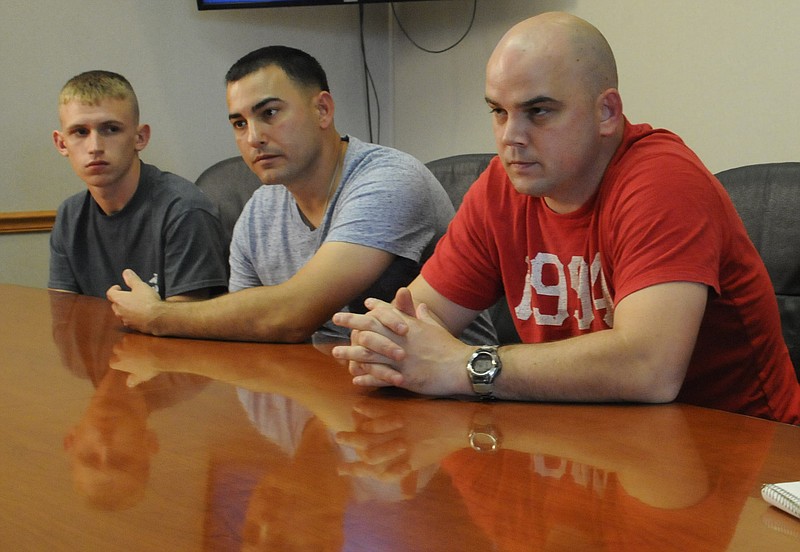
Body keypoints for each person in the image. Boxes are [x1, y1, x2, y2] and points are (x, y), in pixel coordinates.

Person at [332, 12, 800, 424]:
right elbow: (409, 325)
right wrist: (388, 350)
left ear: (607, 113)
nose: (510, 137)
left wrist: (463, 365)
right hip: (593, 442)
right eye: (498, 111)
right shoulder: (501, 187)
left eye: (538, 112)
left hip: (743, 463)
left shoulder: (663, 180)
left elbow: (649, 369)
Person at [107, 46, 495, 344]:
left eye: (270, 113)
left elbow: (291, 315)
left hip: (449, 403)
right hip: (327, 393)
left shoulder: (389, 180)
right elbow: (247, 329)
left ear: (322, 110)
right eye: (239, 123)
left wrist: (157, 316)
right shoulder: (258, 210)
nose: (253, 137)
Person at [49, 70, 228, 300]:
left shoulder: (184, 210)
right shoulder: (69, 215)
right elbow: (64, 317)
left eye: (111, 129)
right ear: (61, 143)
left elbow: (183, 325)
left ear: (140, 137)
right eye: (80, 132)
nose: (94, 146)